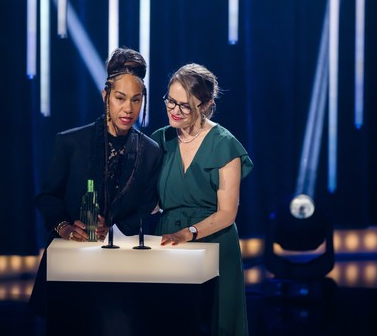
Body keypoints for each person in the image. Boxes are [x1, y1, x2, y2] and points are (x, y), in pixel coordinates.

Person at [29, 46, 163, 319]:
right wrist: (65, 227)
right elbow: (47, 197)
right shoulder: (70, 142)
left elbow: (147, 210)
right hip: (70, 262)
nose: (128, 109)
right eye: (120, 98)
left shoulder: (151, 152)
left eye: (136, 100)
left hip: (121, 270)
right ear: (106, 96)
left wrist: (112, 230)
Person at [151, 63, 253, 335]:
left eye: (185, 106)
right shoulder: (160, 140)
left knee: (214, 323)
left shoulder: (224, 143)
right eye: (170, 101)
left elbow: (227, 213)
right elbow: (152, 201)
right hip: (169, 240)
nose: (174, 110)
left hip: (214, 241)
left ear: (206, 105)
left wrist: (188, 233)